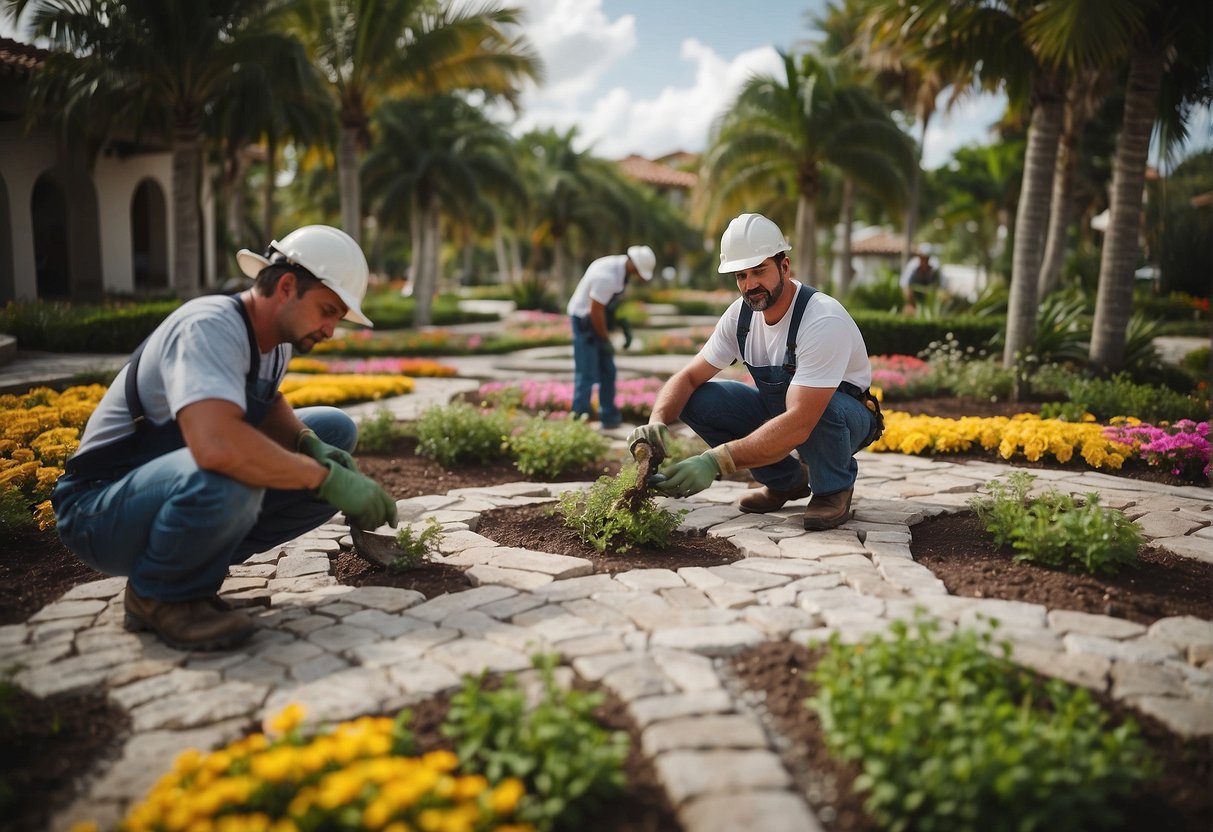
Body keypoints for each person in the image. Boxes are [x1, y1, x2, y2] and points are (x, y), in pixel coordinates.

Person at [51, 225, 399, 651]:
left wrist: (311, 444)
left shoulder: (277, 342)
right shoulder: (209, 326)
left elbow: (265, 401)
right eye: (328, 310)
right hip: (98, 511)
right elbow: (217, 446)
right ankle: (159, 593)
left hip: (168, 487)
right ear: (287, 287)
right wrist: (322, 478)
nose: (330, 330)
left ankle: (194, 571)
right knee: (232, 466)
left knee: (334, 429)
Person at [627, 213, 881, 531]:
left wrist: (716, 461)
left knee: (819, 410)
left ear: (784, 267)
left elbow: (802, 420)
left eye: (759, 271)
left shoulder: (821, 319)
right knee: (697, 397)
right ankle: (786, 482)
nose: (750, 285)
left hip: (843, 416)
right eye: (741, 275)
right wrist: (656, 422)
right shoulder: (740, 317)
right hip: (786, 410)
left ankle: (833, 488)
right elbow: (688, 377)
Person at [567, 245, 657, 428]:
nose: (640, 277)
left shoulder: (620, 270)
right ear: (634, 265)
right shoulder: (606, 276)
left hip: (595, 318)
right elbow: (595, 312)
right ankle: (579, 418)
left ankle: (608, 416)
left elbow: (607, 308)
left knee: (608, 370)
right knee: (587, 372)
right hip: (583, 321)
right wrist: (605, 339)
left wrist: (620, 324)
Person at [899, 243, 940, 313]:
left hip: (929, 299)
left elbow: (939, 287)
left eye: (926, 258)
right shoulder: (912, 266)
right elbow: (905, 286)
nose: (924, 260)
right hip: (913, 297)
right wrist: (911, 303)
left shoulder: (935, 266)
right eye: (921, 257)